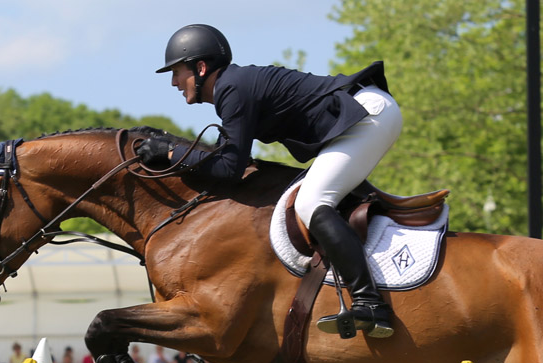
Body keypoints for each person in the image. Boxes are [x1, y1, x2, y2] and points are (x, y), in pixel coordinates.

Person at [140, 24, 401, 339]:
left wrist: (170, 153)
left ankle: (370, 303)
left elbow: (228, 169)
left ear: (201, 67)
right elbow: (233, 161)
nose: (173, 82)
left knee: (311, 202)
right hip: (361, 118)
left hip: (367, 116)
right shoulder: (233, 86)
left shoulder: (231, 88)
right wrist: (174, 149)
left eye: (177, 72)